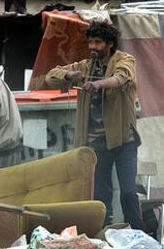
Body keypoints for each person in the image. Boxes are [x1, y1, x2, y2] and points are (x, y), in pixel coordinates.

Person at [45, 22, 145, 230]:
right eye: (90, 42)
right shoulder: (85, 66)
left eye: (97, 42)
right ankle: (103, 235)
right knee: (100, 195)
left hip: (123, 140)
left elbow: (121, 77)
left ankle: (138, 234)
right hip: (97, 144)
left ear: (109, 44)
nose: (92, 47)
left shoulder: (124, 60)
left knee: (127, 192)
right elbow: (51, 76)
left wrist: (98, 84)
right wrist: (69, 76)